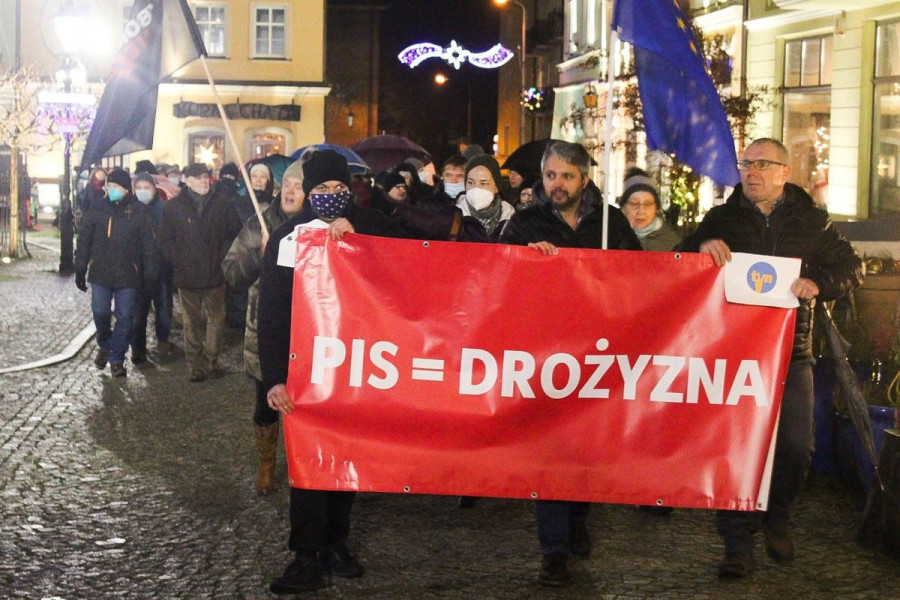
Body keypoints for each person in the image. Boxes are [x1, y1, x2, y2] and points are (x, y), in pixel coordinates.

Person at [675, 138, 863, 579]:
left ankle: (777, 515)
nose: (752, 171)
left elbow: (851, 268)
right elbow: (676, 259)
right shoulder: (721, 219)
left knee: (796, 446)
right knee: (734, 449)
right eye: (746, 163)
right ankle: (737, 542)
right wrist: (701, 249)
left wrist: (818, 284)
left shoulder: (812, 222)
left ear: (784, 172)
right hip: (733, 354)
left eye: (762, 164)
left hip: (792, 353)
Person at [258, 150, 408, 594]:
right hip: (304, 369)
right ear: (308, 193)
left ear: (351, 189)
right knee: (309, 462)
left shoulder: (371, 224)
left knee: (346, 457)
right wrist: (274, 377)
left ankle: (335, 543)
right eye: (321, 188)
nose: (330, 195)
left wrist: (362, 239)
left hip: (356, 364)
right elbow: (272, 312)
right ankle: (305, 554)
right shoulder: (287, 238)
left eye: (339, 187)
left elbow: (412, 260)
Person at [499, 141, 641, 587]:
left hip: (599, 354)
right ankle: (554, 549)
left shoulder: (610, 222)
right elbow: (495, 274)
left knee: (586, 447)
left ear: (585, 178)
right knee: (552, 450)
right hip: (546, 355)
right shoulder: (525, 223)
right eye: (550, 176)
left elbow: (645, 275)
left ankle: (578, 515)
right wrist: (524, 259)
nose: (556, 185)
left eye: (566, 176)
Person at [222, 159, 307, 496]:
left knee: (306, 407)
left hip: (309, 334)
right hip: (266, 333)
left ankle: (307, 464)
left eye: (299, 186)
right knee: (266, 405)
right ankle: (267, 464)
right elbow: (230, 273)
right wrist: (259, 255)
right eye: (287, 184)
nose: (290, 191)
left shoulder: (318, 226)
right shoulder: (259, 224)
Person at [158, 163, 242, 382]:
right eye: (199, 177)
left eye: (206, 177)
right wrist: (180, 260)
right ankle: (195, 364)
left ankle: (211, 360)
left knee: (216, 318)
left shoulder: (222, 203)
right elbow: (165, 240)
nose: (204, 181)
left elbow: (233, 233)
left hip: (216, 272)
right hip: (187, 274)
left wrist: (222, 257)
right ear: (187, 180)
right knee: (191, 321)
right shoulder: (174, 207)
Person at [74, 168, 159, 377]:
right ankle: (105, 344)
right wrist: (80, 268)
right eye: (109, 186)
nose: (111, 190)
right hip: (100, 271)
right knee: (100, 311)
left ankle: (117, 358)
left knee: (125, 317)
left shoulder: (140, 212)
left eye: (115, 187)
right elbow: (84, 240)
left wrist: (150, 275)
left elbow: (149, 247)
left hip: (129, 273)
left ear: (126, 189)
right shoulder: (97, 208)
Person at [130, 173, 174, 363]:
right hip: (137, 269)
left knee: (163, 306)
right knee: (138, 311)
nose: (142, 191)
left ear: (154, 190)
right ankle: (137, 347)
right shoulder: (130, 210)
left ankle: (163, 340)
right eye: (139, 188)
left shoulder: (164, 210)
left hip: (162, 267)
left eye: (146, 188)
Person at [617, 167, 681, 252]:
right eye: (634, 204)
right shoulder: (608, 239)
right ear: (623, 208)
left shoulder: (671, 244)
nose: (641, 211)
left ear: (656, 208)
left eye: (647, 204)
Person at [456, 154, 515, 241]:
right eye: (470, 182)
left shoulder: (511, 217)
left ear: (496, 187)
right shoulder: (453, 217)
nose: (476, 188)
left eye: (483, 183)